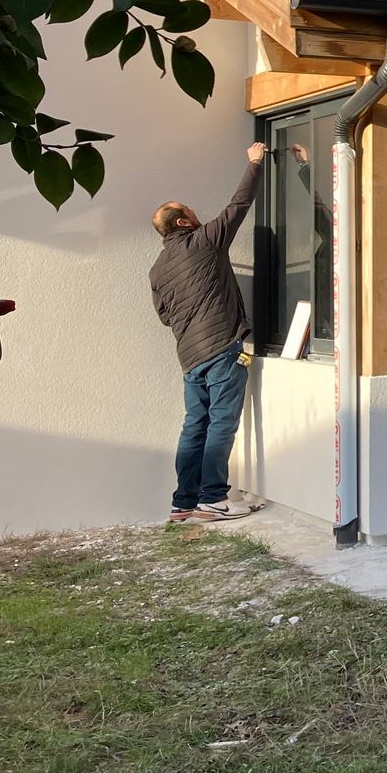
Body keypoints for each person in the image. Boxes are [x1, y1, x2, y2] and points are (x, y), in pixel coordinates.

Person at [150, 144, 266, 523]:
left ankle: (183, 502)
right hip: (222, 348)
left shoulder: (158, 270)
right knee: (221, 422)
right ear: (182, 222)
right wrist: (254, 162)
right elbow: (238, 206)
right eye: (189, 210)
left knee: (194, 425)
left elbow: (165, 317)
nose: (196, 213)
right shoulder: (204, 241)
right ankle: (213, 498)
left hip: (189, 358)